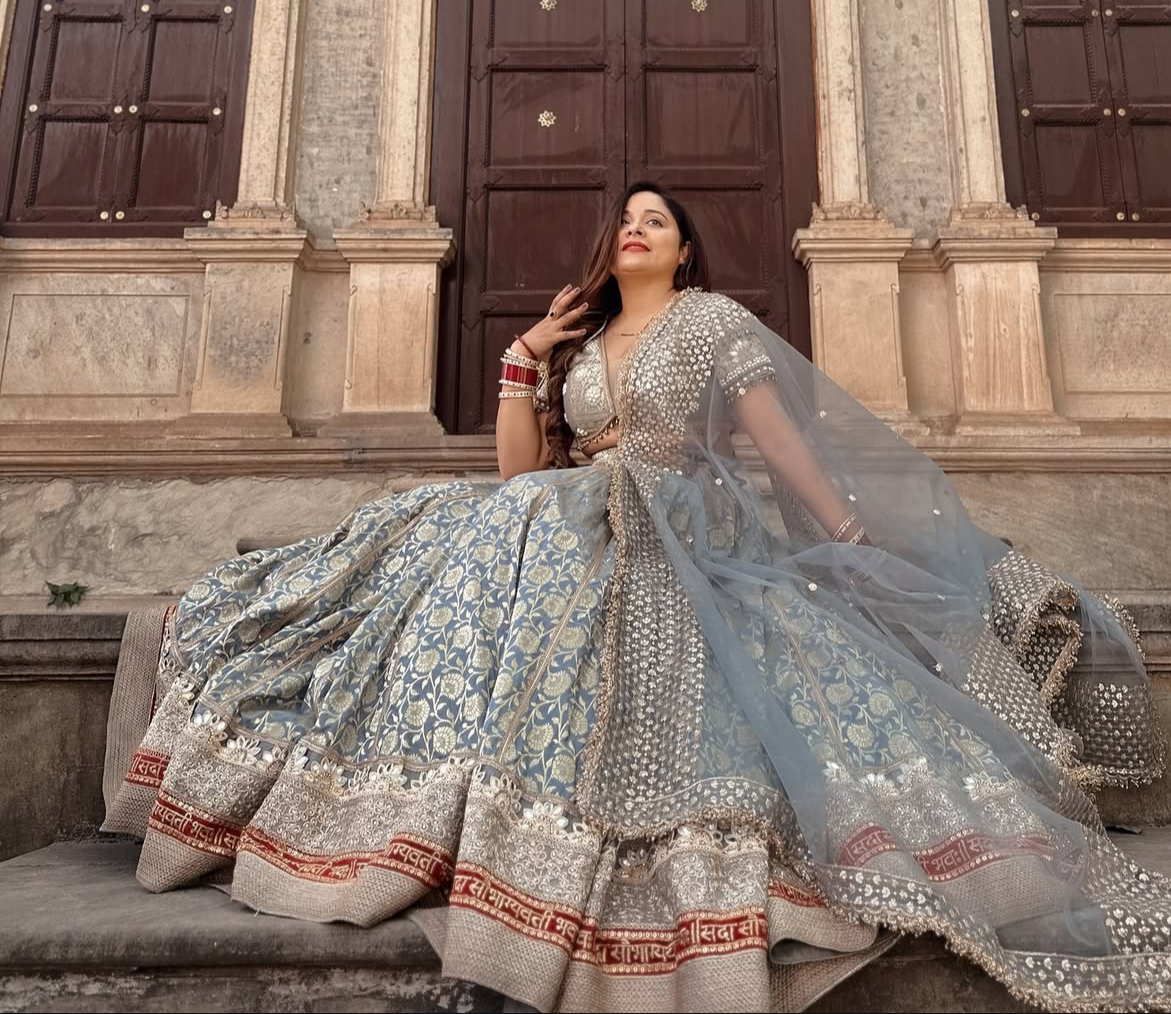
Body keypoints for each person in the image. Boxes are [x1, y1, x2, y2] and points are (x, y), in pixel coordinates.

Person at [104, 183, 1170, 1013]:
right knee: (456, 537)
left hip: (675, 526)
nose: (632, 230)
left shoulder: (712, 326)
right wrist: (525, 358)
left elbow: (781, 446)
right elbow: (522, 476)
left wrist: (848, 536)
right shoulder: (583, 339)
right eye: (624, 219)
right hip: (567, 509)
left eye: (653, 220)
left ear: (686, 248)